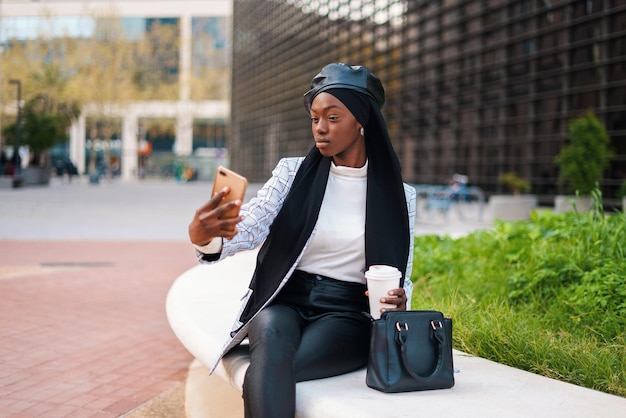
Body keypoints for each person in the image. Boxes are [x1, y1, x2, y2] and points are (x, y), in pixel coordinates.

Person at [188, 63, 416, 418]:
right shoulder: (291, 173)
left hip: (346, 315)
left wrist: (399, 300)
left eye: (333, 117)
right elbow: (250, 226)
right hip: (283, 301)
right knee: (273, 347)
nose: (320, 129)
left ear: (362, 121)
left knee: (269, 368)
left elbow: (404, 272)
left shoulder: (401, 197)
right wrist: (208, 239)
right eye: (314, 118)